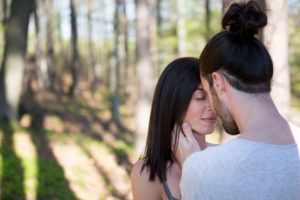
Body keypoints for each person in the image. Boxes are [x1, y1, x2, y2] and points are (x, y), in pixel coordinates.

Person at [175, 1, 300, 200]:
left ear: (218, 82)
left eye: (206, 92)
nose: (212, 108)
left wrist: (194, 168)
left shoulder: (205, 169)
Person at [131, 57, 217, 200]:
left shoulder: (225, 157)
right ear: (173, 103)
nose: (213, 106)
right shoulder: (146, 174)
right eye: (201, 97)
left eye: (215, 96)